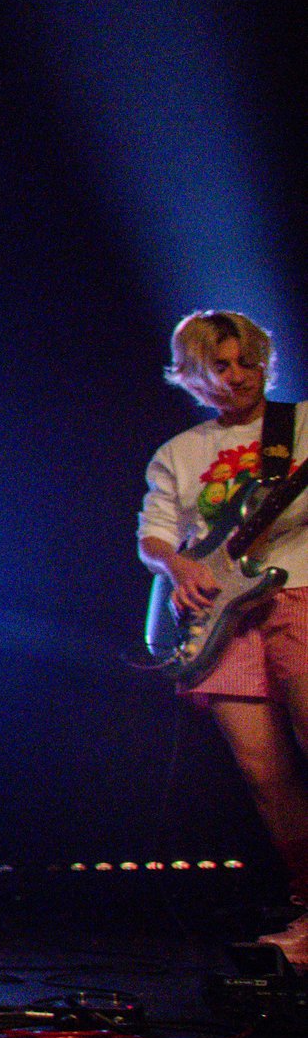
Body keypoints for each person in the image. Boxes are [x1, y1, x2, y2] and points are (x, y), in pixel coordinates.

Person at [137, 310, 308, 966]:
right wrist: (178, 565)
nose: (238, 376)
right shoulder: (179, 452)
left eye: (248, 361)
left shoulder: (297, 426)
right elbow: (156, 535)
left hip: (297, 591)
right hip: (222, 615)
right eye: (222, 366)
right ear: (194, 377)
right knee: (263, 770)